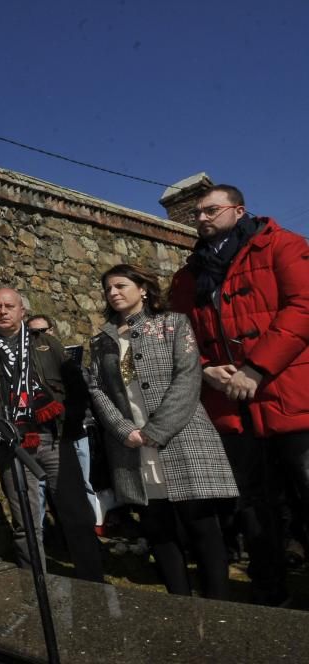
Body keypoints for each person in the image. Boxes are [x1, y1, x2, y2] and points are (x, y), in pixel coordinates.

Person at [169, 184, 309, 605]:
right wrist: (206, 370)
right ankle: (271, 597)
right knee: (253, 507)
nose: (202, 218)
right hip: (232, 406)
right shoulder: (188, 274)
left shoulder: (282, 245)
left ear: (239, 210)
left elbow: (303, 306)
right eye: (197, 213)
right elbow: (180, 337)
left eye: (211, 210)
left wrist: (256, 367)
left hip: (291, 397)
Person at [89, 264, 237, 598]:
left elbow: (188, 378)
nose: (113, 293)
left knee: (202, 528)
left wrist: (157, 429)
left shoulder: (173, 324)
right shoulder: (102, 342)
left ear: (143, 289)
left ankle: (221, 609)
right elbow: (96, 389)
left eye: (120, 285)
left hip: (182, 438)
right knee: (159, 530)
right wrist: (124, 430)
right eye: (108, 288)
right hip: (133, 447)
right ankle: (179, 606)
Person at [0, 288, 103, 581]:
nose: (3, 311)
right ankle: (36, 582)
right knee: (26, 522)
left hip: (54, 440)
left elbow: (75, 386)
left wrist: (70, 425)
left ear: (22, 310)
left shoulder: (46, 344)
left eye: (9, 306)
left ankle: (93, 582)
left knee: (76, 514)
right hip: (14, 446)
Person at [27, 315, 104, 531]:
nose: (40, 336)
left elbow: (87, 391)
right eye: (35, 332)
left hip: (77, 430)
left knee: (84, 482)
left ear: (53, 330)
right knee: (43, 488)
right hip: (48, 435)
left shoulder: (67, 359)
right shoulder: (28, 366)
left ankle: (91, 528)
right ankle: (47, 534)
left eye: (44, 330)